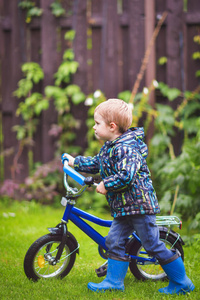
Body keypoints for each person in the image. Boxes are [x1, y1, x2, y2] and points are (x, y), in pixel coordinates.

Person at [65, 98, 195, 294]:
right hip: (125, 208)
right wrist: (75, 162)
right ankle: (114, 282)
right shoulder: (110, 145)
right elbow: (97, 163)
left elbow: (127, 176)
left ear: (112, 126)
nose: (93, 127)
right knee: (114, 241)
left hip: (140, 206)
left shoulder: (127, 148)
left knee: (152, 244)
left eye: (97, 123)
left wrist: (106, 185)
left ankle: (181, 282)